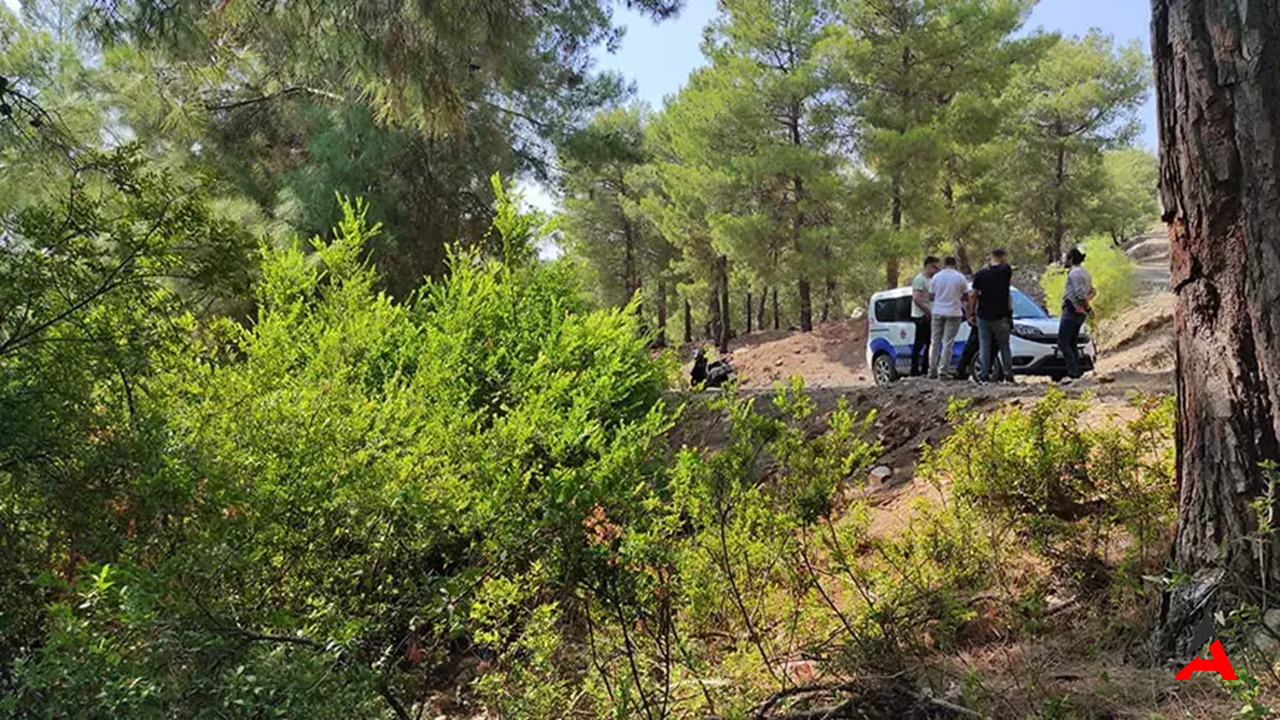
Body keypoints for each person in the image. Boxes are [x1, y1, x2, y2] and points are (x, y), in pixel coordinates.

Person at [968, 248, 1015, 385]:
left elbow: (973, 295)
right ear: (1002, 257)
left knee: (984, 346)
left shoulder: (981, 274)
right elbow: (1005, 265)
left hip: (983, 315)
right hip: (1001, 315)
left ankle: (984, 375)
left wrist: (971, 313)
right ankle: (1008, 374)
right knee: (1004, 346)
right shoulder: (1005, 271)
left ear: (990, 257)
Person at [1057, 247, 1095, 384]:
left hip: (1072, 310)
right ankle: (1076, 372)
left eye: (1066, 258)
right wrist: (1086, 306)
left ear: (1071, 259)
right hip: (1079, 312)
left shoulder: (1074, 274)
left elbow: (1080, 294)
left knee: (1063, 342)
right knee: (1072, 342)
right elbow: (1093, 292)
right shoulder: (1085, 273)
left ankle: (1073, 372)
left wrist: (1085, 306)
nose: (1064, 261)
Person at [927, 257, 968, 380]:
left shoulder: (936, 277)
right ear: (955, 264)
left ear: (944, 264)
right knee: (948, 342)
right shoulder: (960, 277)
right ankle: (943, 371)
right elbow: (966, 296)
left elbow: (930, 296)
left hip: (938, 311)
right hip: (954, 312)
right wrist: (957, 297)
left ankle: (932, 370)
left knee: (934, 341)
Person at [910, 256, 940, 376]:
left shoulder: (931, 280)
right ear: (928, 266)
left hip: (930, 314)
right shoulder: (920, 279)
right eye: (934, 267)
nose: (936, 270)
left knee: (929, 343)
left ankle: (925, 367)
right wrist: (927, 311)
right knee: (919, 343)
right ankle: (914, 369)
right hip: (921, 316)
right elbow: (916, 298)